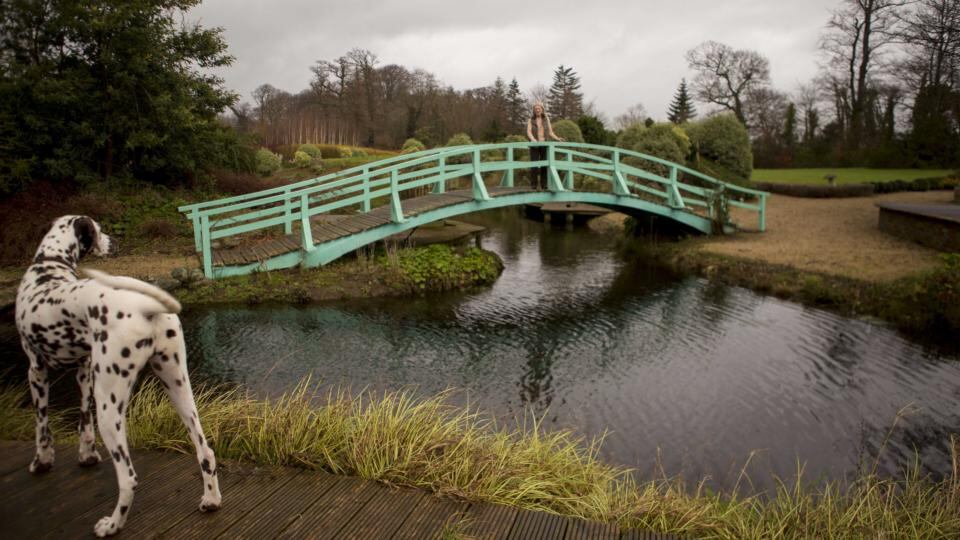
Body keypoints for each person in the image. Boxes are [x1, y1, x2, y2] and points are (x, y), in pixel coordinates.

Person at [526, 102, 564, 190]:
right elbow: (528, 131)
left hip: (544, 144)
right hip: (534, 145)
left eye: (539, 108)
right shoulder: (530, 120)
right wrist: (533, 139)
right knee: (534, 165)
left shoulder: (546, 119)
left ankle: (544, 184)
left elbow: (550, 132)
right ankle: (533, 185)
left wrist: (557, 138)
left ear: (542, 109)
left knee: (544, 165)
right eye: (536, 109)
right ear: (534, 110)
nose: (537, 110)